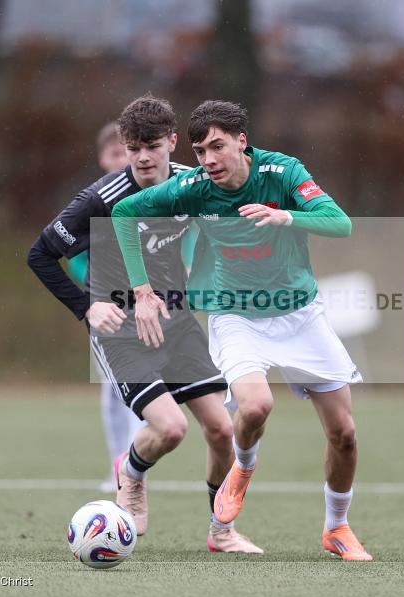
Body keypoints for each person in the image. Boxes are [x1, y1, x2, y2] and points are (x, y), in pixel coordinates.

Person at [111, 100, 372, 561]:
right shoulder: (193, 186)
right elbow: (123, 213)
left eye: (218, 147)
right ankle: (243, 470)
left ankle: (337, 527)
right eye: (200, 151)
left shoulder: (283, 173)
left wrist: (287, 216)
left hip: (300, 314)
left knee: (344, 434)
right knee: (255, 406)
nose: (209, 159)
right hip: (235, 315)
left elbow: (340, 224)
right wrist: (142, 289)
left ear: (241, 142)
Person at [27, 95, 262, 553]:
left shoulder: (193, 185)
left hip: (176, 323)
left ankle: (221, 531)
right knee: (171, 429)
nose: (142, 158)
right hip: (121, 331)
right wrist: (86, 307)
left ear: (172, 142)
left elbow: (219, 227)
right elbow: (40, 255)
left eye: (152, 146)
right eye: (133, 148)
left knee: (223, 431)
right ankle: (130, 474)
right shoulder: (100, 199)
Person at [64, 120, 144, 494]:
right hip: (108, 308)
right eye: (115, 153)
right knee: (113, 389)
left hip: (150, 306)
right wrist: (94, 294)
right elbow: (74, 255)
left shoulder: (153, 195)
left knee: (146, 385)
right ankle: (119, 464)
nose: (122, 160)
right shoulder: (95, 202)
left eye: (126, 152)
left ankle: (135, 466)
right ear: (102, 158)